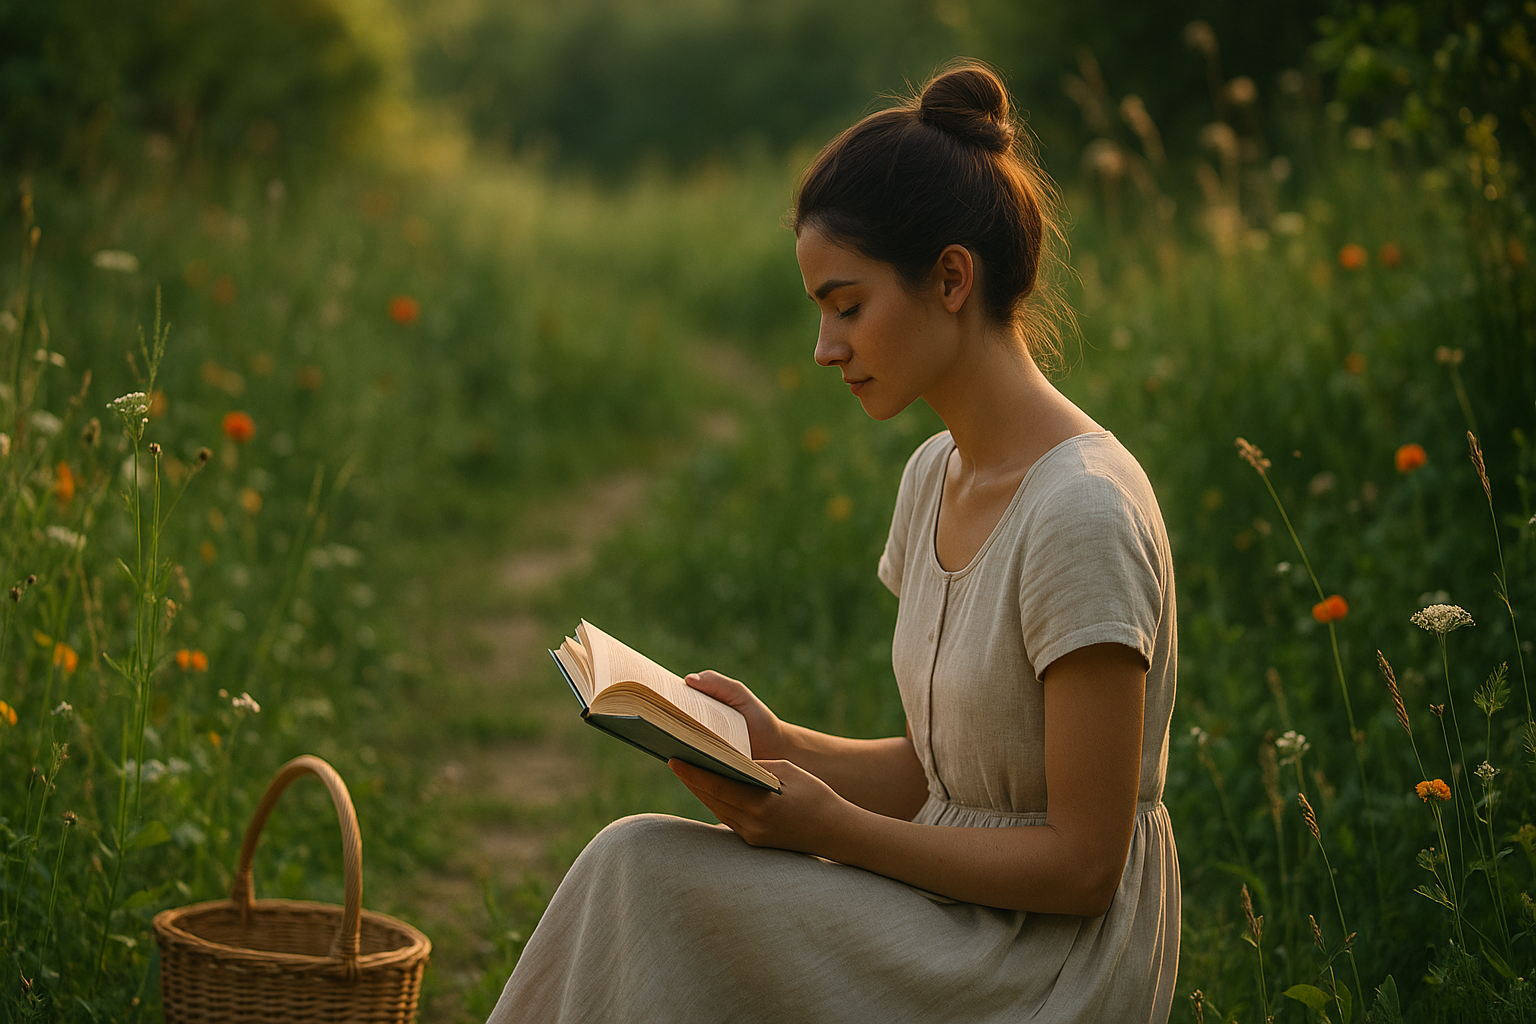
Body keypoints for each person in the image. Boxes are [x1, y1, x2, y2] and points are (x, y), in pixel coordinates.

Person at [487, 61, 1179, 1024]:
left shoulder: (1084, 513)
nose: (825, 347)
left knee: (652, 884)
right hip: (950, 911)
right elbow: (953, 775)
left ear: (949, 278)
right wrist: (774, 746)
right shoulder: (934, 475)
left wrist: (836, 832)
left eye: (847, 306)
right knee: (632, 857)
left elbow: (1084, 867)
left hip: (1043, 962)